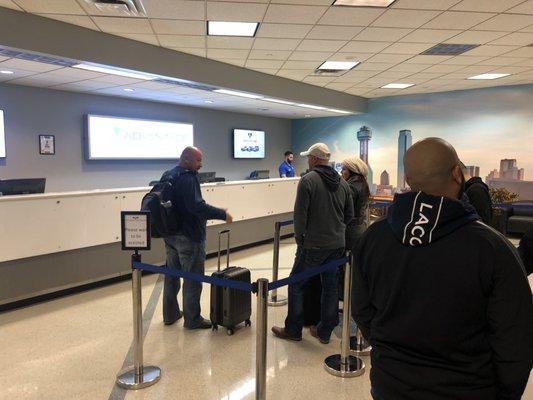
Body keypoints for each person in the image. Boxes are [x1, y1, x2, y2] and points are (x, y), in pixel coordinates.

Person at [352, 138, 533, 400]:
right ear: (457, 174)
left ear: (409, 180)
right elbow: (515, 339)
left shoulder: (373, 238)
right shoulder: (492, 248)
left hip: (390, 384)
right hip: (467, 389)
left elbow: (362, 310)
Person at [272, 143, 354, 344]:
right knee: (330, 287)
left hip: (313, 244)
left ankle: (293, 329)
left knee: (296, 284)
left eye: (309, 157)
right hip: (337, 245)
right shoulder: (343, 183)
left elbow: (300, 214)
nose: (307, 160)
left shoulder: (308, 180)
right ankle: (324, 331)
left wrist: (300, 239)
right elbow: (349, 215)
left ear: (315, 159)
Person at [161, 146, 233, 329]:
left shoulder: (168, 175)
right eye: (198, 160)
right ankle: (192, 319)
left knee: (172, 276)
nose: (201, 165)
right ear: (186, 159)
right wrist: (222, 214)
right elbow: (197, 206)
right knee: (193, 279)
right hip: (189, 236)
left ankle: (170, 314)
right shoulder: (188, 178)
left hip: (170, 235)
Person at [341, 156, 370, 253]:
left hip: (349, 231)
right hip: (360, 227)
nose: (341, 172)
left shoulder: (350, 187)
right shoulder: (363, 184)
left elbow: (344, 210)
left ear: (352, 170)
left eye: (344, 169)